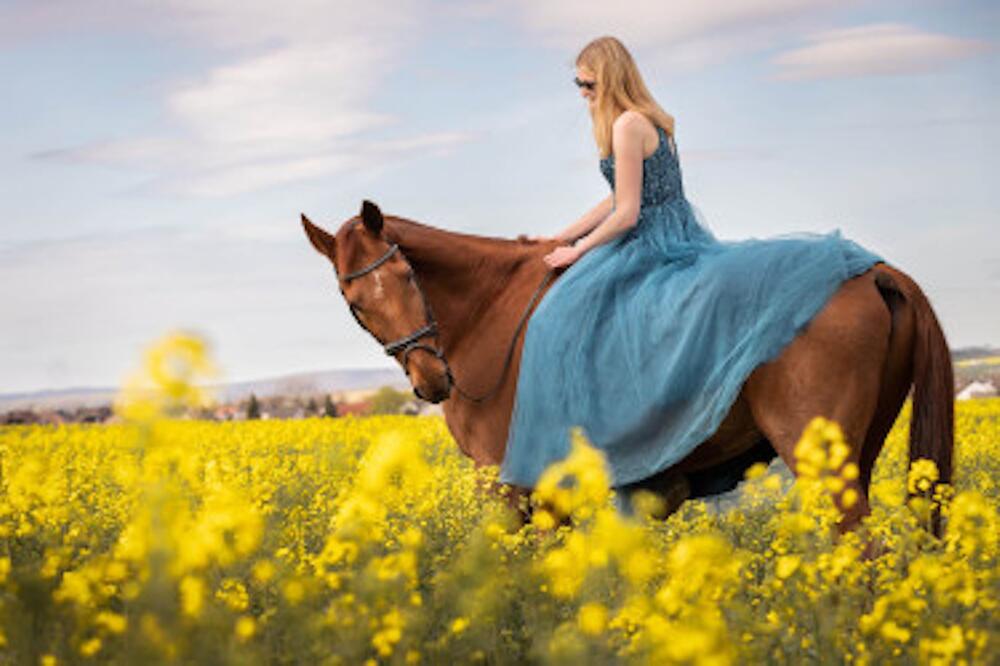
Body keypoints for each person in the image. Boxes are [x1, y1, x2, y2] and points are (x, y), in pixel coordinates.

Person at [500, 36, 883, 490]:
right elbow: (617, 197)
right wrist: (564, 233)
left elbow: (627, 213)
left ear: (610, 78)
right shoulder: (648, 120)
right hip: (666, 230)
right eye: (578, 83)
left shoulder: (626, 124)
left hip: (651, 242)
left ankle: (616, 444)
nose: (582, 92)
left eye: (588, 82)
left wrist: (577, 252)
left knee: (558, 319)